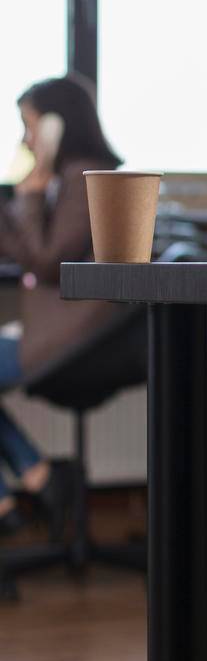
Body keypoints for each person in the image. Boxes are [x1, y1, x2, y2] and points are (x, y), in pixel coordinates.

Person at [0, 75, 122, 540]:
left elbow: (49, 261)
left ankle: (26, 490)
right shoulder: (62, 180)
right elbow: (26, 251)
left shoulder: (87, 178)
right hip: (53, 324)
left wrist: (30, 196)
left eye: (30, 127)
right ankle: (39, 480)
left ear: (56, 126)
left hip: (76, 335)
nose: (25, 139)